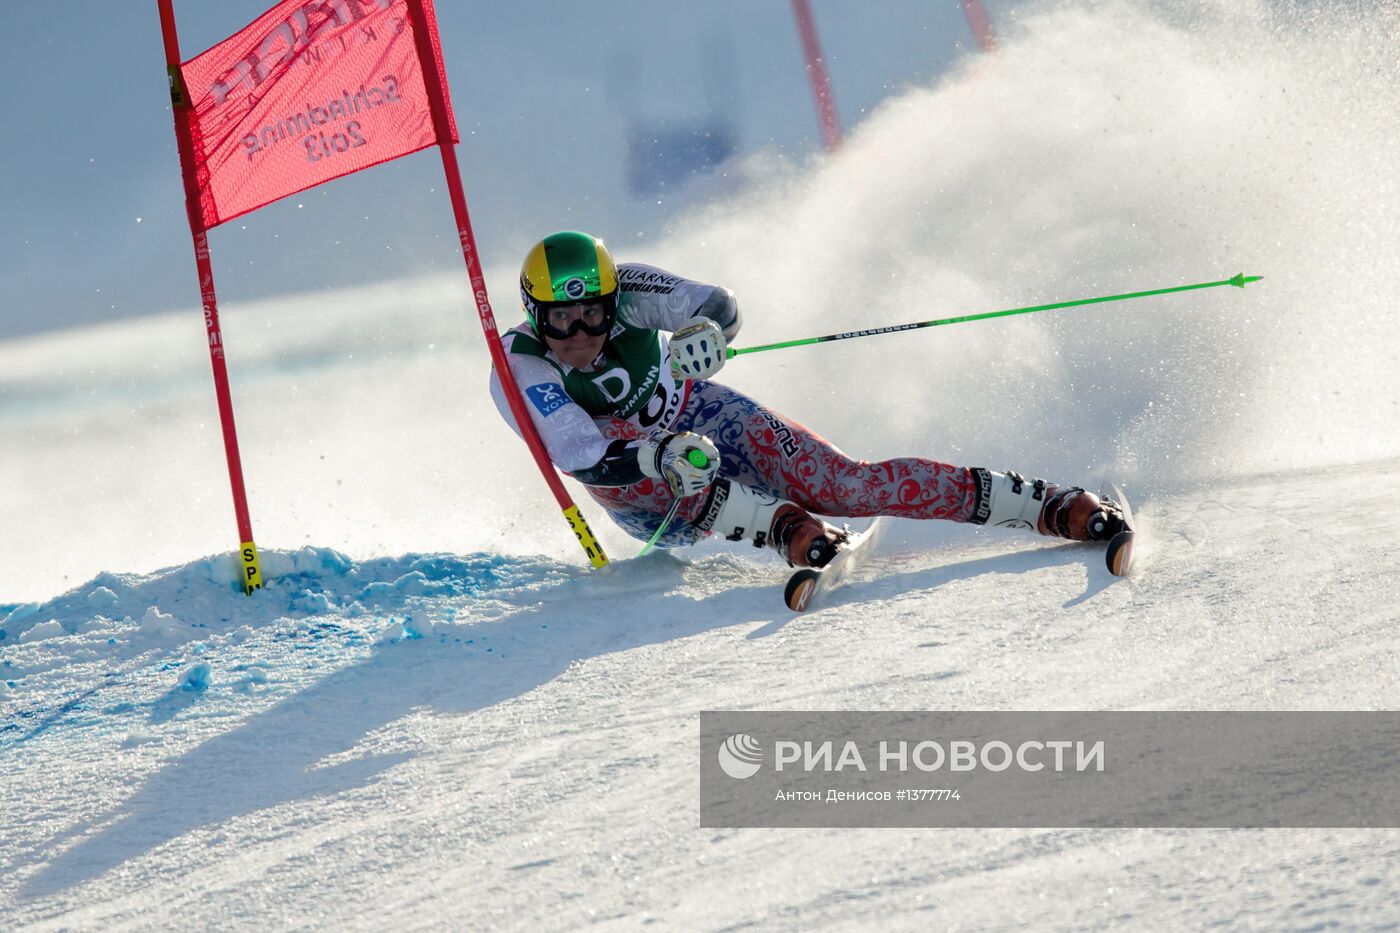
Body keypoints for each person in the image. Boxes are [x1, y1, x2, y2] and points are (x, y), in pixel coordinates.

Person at [489, 230, 1127, 568]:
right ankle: (786, 527)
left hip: (699, 411)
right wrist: (658, 457)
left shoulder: (630, 287)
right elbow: (582, 455)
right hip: (641, 495)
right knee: (675, 462)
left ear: (609, 300)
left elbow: (717, 304)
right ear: (533, 313)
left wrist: (709, 335)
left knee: (844, 483)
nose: (578, 335)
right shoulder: (518, 366)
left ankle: (1046, 505)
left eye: (592, 316)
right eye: (560, 320)